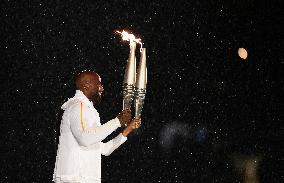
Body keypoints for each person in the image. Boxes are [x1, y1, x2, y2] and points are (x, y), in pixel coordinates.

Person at [53, 71, 141, 183]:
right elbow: (85, 139)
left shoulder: (90, 110)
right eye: (99, 84)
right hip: (75, 178)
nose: (102, 88)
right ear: (86, 85)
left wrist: (128, 129)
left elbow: (105, 149)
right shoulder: (78, 106)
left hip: (85, 178)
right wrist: (117, 121)